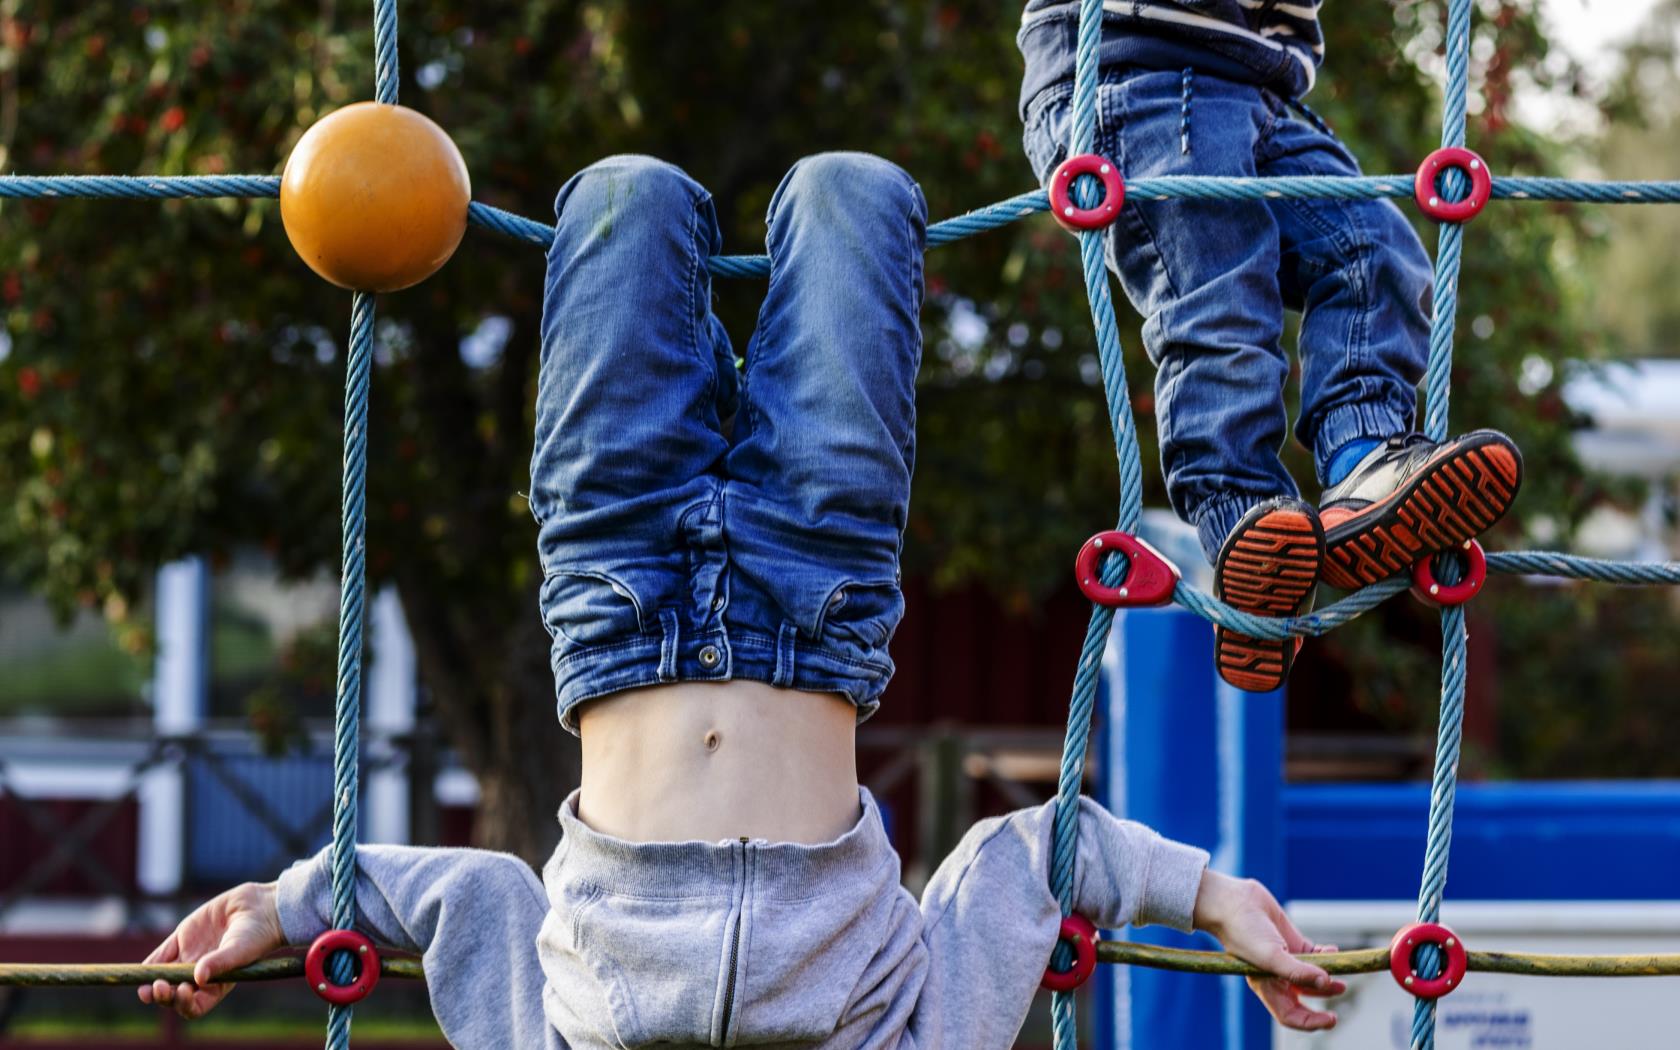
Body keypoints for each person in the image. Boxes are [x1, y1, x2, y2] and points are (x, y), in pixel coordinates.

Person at [137, 153, 1347, 1045]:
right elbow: (1024, 862)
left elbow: (477, 896)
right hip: (814, 597)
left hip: (616, 606)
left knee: (622, 198)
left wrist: (281, 901)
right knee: (855, 196)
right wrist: (1213, 895)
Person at [1018, 0, 1524, 694]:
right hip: (1134, 66)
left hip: (1263, 88)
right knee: (1219, 296)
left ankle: (1363, 462)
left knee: (1376, 254)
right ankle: (1243, 520)